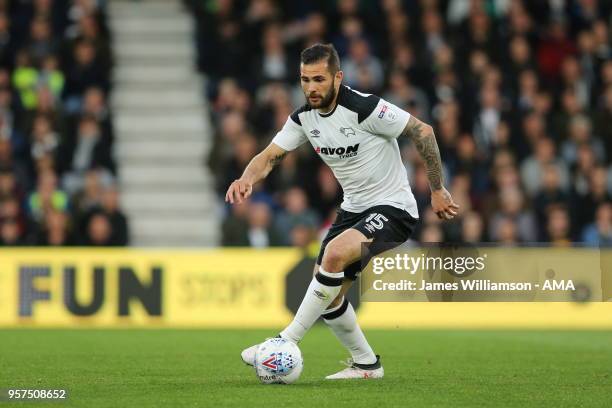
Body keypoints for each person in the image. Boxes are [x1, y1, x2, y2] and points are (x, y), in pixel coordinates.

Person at [225, 43, 459, 380]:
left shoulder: (364, 108)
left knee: (333, 254)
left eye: (319, 79)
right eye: (305, 80)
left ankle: (285, 339)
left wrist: (437, 189)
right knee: (330, 296)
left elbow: (423, 131)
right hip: (353, 210)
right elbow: (270, 156)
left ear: (338, 77)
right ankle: (366, 364)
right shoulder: (303, 118)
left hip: (393, 207)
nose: (311, 87)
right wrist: (247, 177)